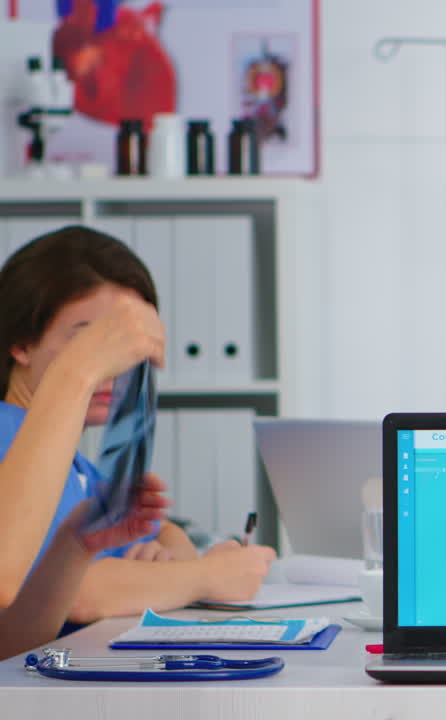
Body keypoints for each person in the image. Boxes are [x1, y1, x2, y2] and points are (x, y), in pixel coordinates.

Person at [0, 225, 276, 625]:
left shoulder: (77, 468)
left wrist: (171, 558)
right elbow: (48, 591)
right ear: (22, 344)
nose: (115, 368)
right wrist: (205, 576)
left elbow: (164, 533)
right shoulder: (12, 437)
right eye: (91, 342)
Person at [0, 474, 168, 659]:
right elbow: (85, 593)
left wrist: (75, 546)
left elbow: (165, 529)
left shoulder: (78, 469)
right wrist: (195, 576)